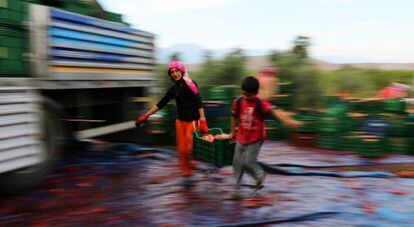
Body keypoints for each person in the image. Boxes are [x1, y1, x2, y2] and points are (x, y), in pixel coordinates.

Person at [135, 61, 209, 180]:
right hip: (180, 122)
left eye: (176, 71)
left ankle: (192, 166)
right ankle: (186, 174)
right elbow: (161, 103)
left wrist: (203, 119)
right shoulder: (173, 90)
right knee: (181, 151)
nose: (174, 74)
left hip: (192, 121)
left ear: (181, 71)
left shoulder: (190, 84)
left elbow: (198, 102)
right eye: (172, 72)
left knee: (188, 149)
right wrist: (146, 115)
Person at [229, 76, 302, 196]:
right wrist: (232, 132)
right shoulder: (238, 101)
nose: (246, 97)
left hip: (256, 138)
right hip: (241, 137)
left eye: (249, 95)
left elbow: (275, 111)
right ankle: (237, 186)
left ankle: (260, 175)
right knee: (237, 162)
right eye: (244, 94)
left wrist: (288, 120)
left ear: (257, 93)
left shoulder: (260, 103)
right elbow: (233, 116)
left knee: (248, 161)